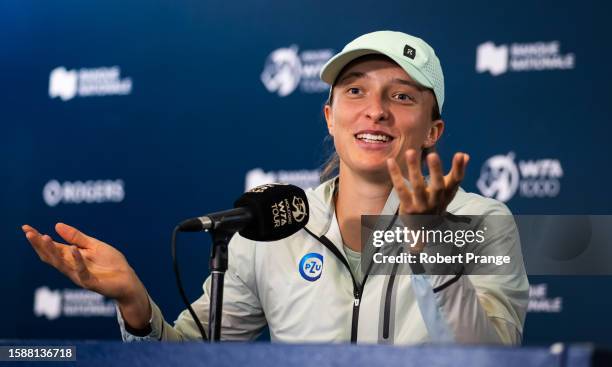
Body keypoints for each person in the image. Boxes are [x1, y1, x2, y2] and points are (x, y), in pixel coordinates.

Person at [22, 30, 528, 344]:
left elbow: (489, 360)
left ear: (433, 131)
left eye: (401, 96)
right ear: (331, 117)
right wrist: (135, 304)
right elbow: (189, 359)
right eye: (355, 91)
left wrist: (430, 242)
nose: (375, 109)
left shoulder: (481, 222)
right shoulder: (272, 225)